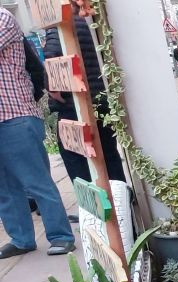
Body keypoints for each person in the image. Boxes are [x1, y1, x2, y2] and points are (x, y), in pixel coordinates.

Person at [0, 8, 76, 259]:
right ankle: (21, 238)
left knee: (36, 181)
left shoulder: (3, 17)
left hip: (16, 114)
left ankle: (61, 236)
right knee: (4, 188)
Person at [43, 16, 127, 186]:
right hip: (100, 100)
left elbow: (52, 61)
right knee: (110, 155)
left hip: (74, 106)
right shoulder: (88, 21)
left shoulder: (59, 24)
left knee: (78, 163)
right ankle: (122, 205)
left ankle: (94, 211)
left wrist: (53, 92)